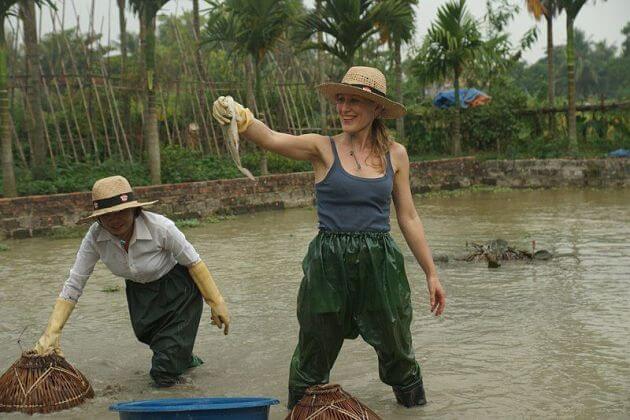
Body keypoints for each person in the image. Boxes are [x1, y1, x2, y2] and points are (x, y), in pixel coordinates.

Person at [212, 66, 446, 408]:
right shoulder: (321, 148)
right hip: (328, 264)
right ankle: (299, 411)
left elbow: (408, 216)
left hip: (380, 263)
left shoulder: (396, 154)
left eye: (356, 101)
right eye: (341, 99)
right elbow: (272, 138)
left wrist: (431, 273)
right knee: (313, 350)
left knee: (398, 349)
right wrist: (242, 118)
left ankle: (414, 410)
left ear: (377, 108)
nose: (345, 108)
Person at [33, 175, 230, 387]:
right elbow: (74, 283)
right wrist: (52, 331)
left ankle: (167, 397)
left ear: (135, 210)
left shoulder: (160, 228)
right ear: (98, 218)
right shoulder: (95, 238)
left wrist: (216, 302)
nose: (115, 219)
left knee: (163, 372)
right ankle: (184, 359)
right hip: (140, 295)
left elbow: (194, 263)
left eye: (121, 212)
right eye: (107, 215)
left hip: (178, 290)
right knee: (155, 340)